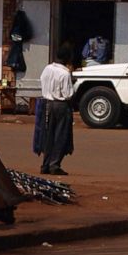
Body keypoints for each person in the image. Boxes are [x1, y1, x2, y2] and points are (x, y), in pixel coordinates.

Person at [38, 47, 75, 176]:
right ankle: (54, 165)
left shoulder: (47, 69)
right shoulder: (65, 74)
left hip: (47, 103)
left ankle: (45, 164)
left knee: (48, 135)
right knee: (61, 135)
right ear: (68, 59)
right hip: (61, 105)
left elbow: (42, 81)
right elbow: (68, 94)